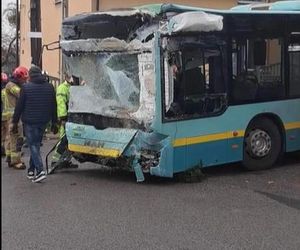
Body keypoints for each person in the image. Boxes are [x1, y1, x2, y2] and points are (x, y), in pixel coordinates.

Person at [12, 65, 58, 182]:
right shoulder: (50, 87)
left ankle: (40, 170)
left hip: (30, 121)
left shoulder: (26, 88)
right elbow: (54, 106)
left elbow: (19, 107)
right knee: (36, 145)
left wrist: (15, 122)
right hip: (43, 121)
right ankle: (31, 171)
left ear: (30, 76)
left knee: (33, 145)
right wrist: (54, 122)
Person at [50, 73, 78, 171]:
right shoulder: (63, 88)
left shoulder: (74, 87)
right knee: (63, 139)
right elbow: (61, 103)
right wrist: (63, 117)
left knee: (70, 140)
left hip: (73, 116)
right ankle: (55, 161)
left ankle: (66, 160)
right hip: (66, 117)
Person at [5, 66, 28, 169]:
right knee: (17, 138)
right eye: (24, 79)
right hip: (14, 116)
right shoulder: (11, 85)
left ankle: (10, 157)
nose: (25, 81)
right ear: (18, 76)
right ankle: (16, 161)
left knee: (11, 138)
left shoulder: (12, 84)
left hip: (13, 115)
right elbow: (21, 94)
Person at [1, 72, 9, 156]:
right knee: (7, 135)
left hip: (4, 115)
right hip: (6, 116)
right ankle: (6, 151)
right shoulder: (6, 91)